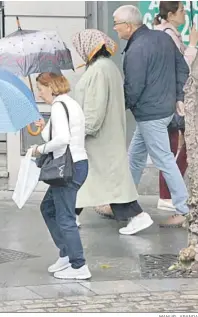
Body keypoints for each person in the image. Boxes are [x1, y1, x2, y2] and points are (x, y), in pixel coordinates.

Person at [113, 5, 190, 227]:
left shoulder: (136, 49)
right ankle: (122, 202)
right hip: (163, 110)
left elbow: (133, 88)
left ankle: (184, 210)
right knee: (135, 157)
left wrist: (120, 109)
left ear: (128, 26)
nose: (114, 28)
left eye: (116, 23)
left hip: (150, 114)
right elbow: (182, 69)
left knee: (164, 159)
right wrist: (178, 97)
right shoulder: (162, 38)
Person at [71, 29, 153, 235]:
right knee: (96, 180)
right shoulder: (106, 67)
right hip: (105, 135)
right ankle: (70, 214)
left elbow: (95, 108)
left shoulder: (99, 70)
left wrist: (82, 131)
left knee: (107, 182)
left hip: (99, 138)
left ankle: (137, 216)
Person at [31, 73, 91, 280]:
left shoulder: (58, 106)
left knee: (65, 217)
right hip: (76, 165)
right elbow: (60, 134)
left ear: (51, 87)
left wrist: (40, 149)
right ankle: (66, 253)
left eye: (40, 88)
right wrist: (43, 128)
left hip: (68, 167)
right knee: (48, 208)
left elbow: (62, 139)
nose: (39, 93)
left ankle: (79, 264)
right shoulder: (69, 104)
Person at [153, 1, 198, 212]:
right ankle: (168, 194)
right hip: (173, 100)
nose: (183, 14)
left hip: (170, 99)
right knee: (176, 148)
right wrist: (192, 45)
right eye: (180, 11)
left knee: (174, 147)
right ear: (170, 15)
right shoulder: (167, 35)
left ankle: (170, 193)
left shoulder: (168, 32)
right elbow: (180, 67)